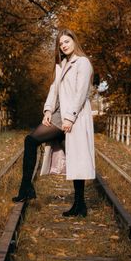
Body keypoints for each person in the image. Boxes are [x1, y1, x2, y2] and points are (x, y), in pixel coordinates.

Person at [12, 29, 95, 217]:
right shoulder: (63, 64)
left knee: (75, 159)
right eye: (60, 44)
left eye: (66, 41)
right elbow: (53, 90)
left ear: (74, 41)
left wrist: (70, 117)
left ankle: (79, 205)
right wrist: (48, 110)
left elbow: (81, 93)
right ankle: (27, 188)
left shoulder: (82, 63)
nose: (64, 45)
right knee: (31, 140)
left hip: (73, 115)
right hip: (59, 114)